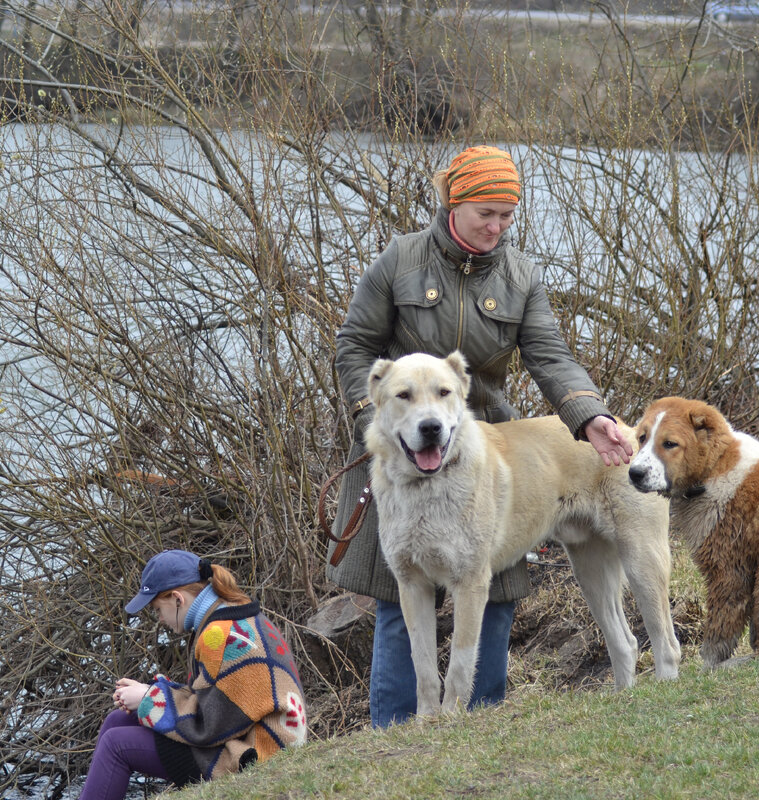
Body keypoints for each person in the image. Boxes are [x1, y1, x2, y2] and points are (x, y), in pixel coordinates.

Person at [328, 145, 633, 727]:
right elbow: (354, 347)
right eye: (484, 213)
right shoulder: (400, 260)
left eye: (507, 216)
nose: (496, 227)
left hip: (488, 452)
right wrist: (380, 417)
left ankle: (481, 722)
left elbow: (551, 356)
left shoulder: (520, 277)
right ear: (452, 203)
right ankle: (396, 731)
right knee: (397, 597)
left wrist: (589, 415)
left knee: (494, 592)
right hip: (397, 451)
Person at [79, 550, 306, 799]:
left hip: (259, 754)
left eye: (157, 609)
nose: (160, 619)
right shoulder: (232, 613)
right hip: (252, 735)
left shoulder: (217, 635)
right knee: (117, 721)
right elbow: (219, 702)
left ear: (178, 599)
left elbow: (208, 726)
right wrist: (155, 694)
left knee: (117, 745)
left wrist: (149, 698)